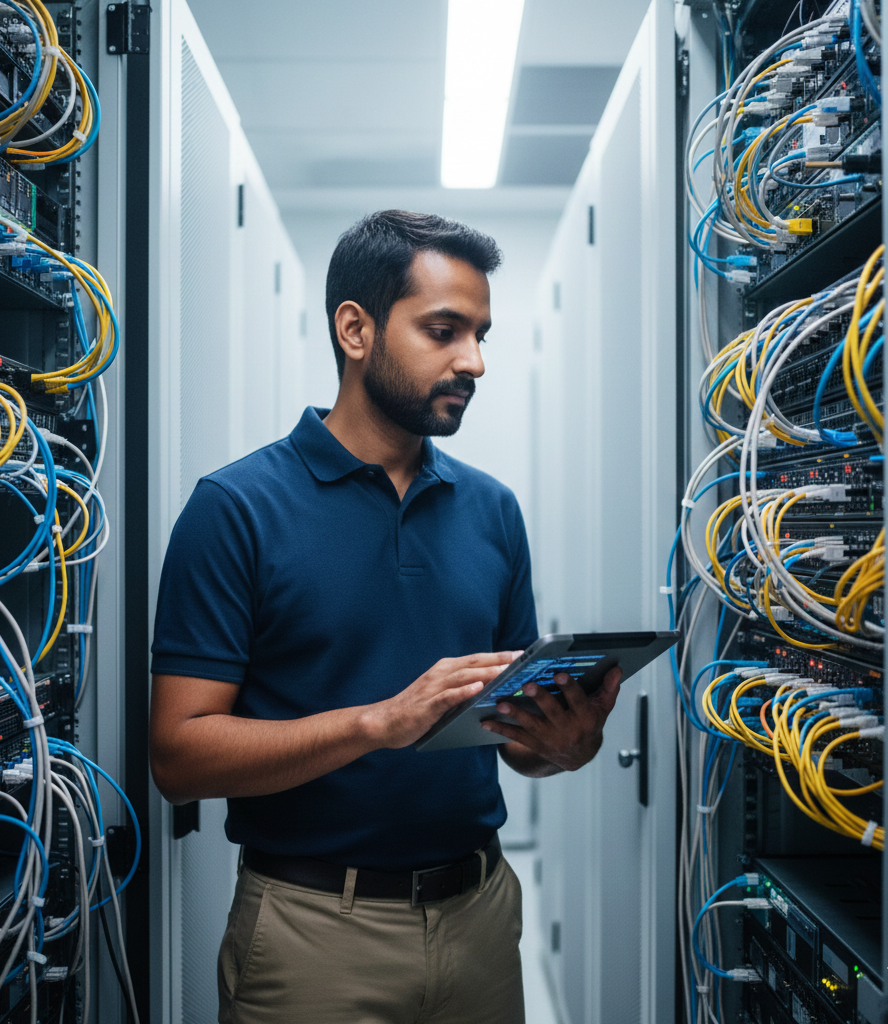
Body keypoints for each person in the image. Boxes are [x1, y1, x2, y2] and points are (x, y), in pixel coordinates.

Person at [149, 210, 623, 1024]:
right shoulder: (236, 509)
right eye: (443, 330)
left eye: (479, 334)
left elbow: (513, 743)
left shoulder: (491, 510)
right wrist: (378, 722)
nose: (472, 361)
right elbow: (180, 757)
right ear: (356, 329)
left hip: (479, 916)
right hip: (312, 936)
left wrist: (565, 746)